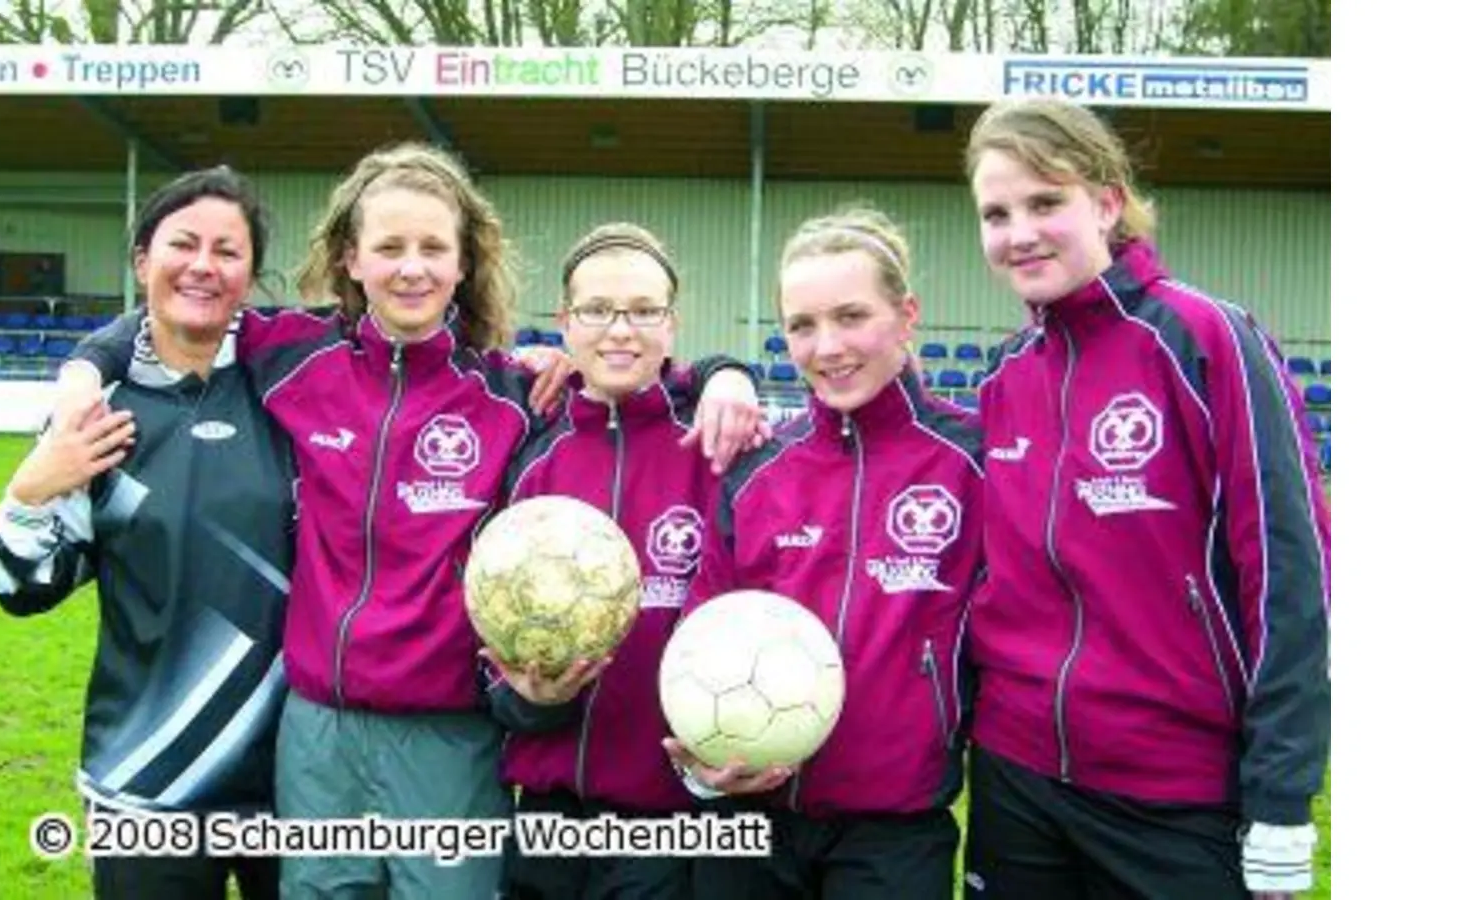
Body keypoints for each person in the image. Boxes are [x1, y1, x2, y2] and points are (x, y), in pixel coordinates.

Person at [61, 143, 768, 899]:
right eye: (389, 247)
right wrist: (81, 369)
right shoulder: (290, 357)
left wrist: (728, 369)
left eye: (434, 248)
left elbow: (634, 368)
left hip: (449, 738)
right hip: (316, 735)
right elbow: (164, 320)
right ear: (351, 260)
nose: (411, 267)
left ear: (464, 264)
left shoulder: (510, 395)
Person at [960, 98, 1331, 900]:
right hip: (1015, 778)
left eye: (1045, 201)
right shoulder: (1003, 377)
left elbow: (1290, 576)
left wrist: (1280, 796)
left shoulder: (1208, 339)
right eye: (996, 212)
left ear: (1106, 201)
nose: (1019, 231)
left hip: (1174, 794)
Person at [0, 167, 291, 899]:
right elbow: (21, 592)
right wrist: (28, 492)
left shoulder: (294, 393)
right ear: (141, 259)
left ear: (251, 274)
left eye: (228, 251)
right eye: (183, 244)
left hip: (297, 785)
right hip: (142, 781)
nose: (204, 266)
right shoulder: (95, 417)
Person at [665, 207, 986, 899]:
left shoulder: (973, 462)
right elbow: (700, 637)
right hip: (749, 822)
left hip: (894, 832)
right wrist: (702, 765)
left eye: (850, 316)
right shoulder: (758, 472)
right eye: (802, 325)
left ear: (906, 316)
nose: (827, 346)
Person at [483, 223, 725, 900]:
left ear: (672, 326)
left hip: (668, 818)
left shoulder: (715, 454)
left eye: (644, 311)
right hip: (548, 817)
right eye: (596, 310)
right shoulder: (532, 458)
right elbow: (488, 638)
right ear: (565, 322)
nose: (621, 330)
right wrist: (531, 702)